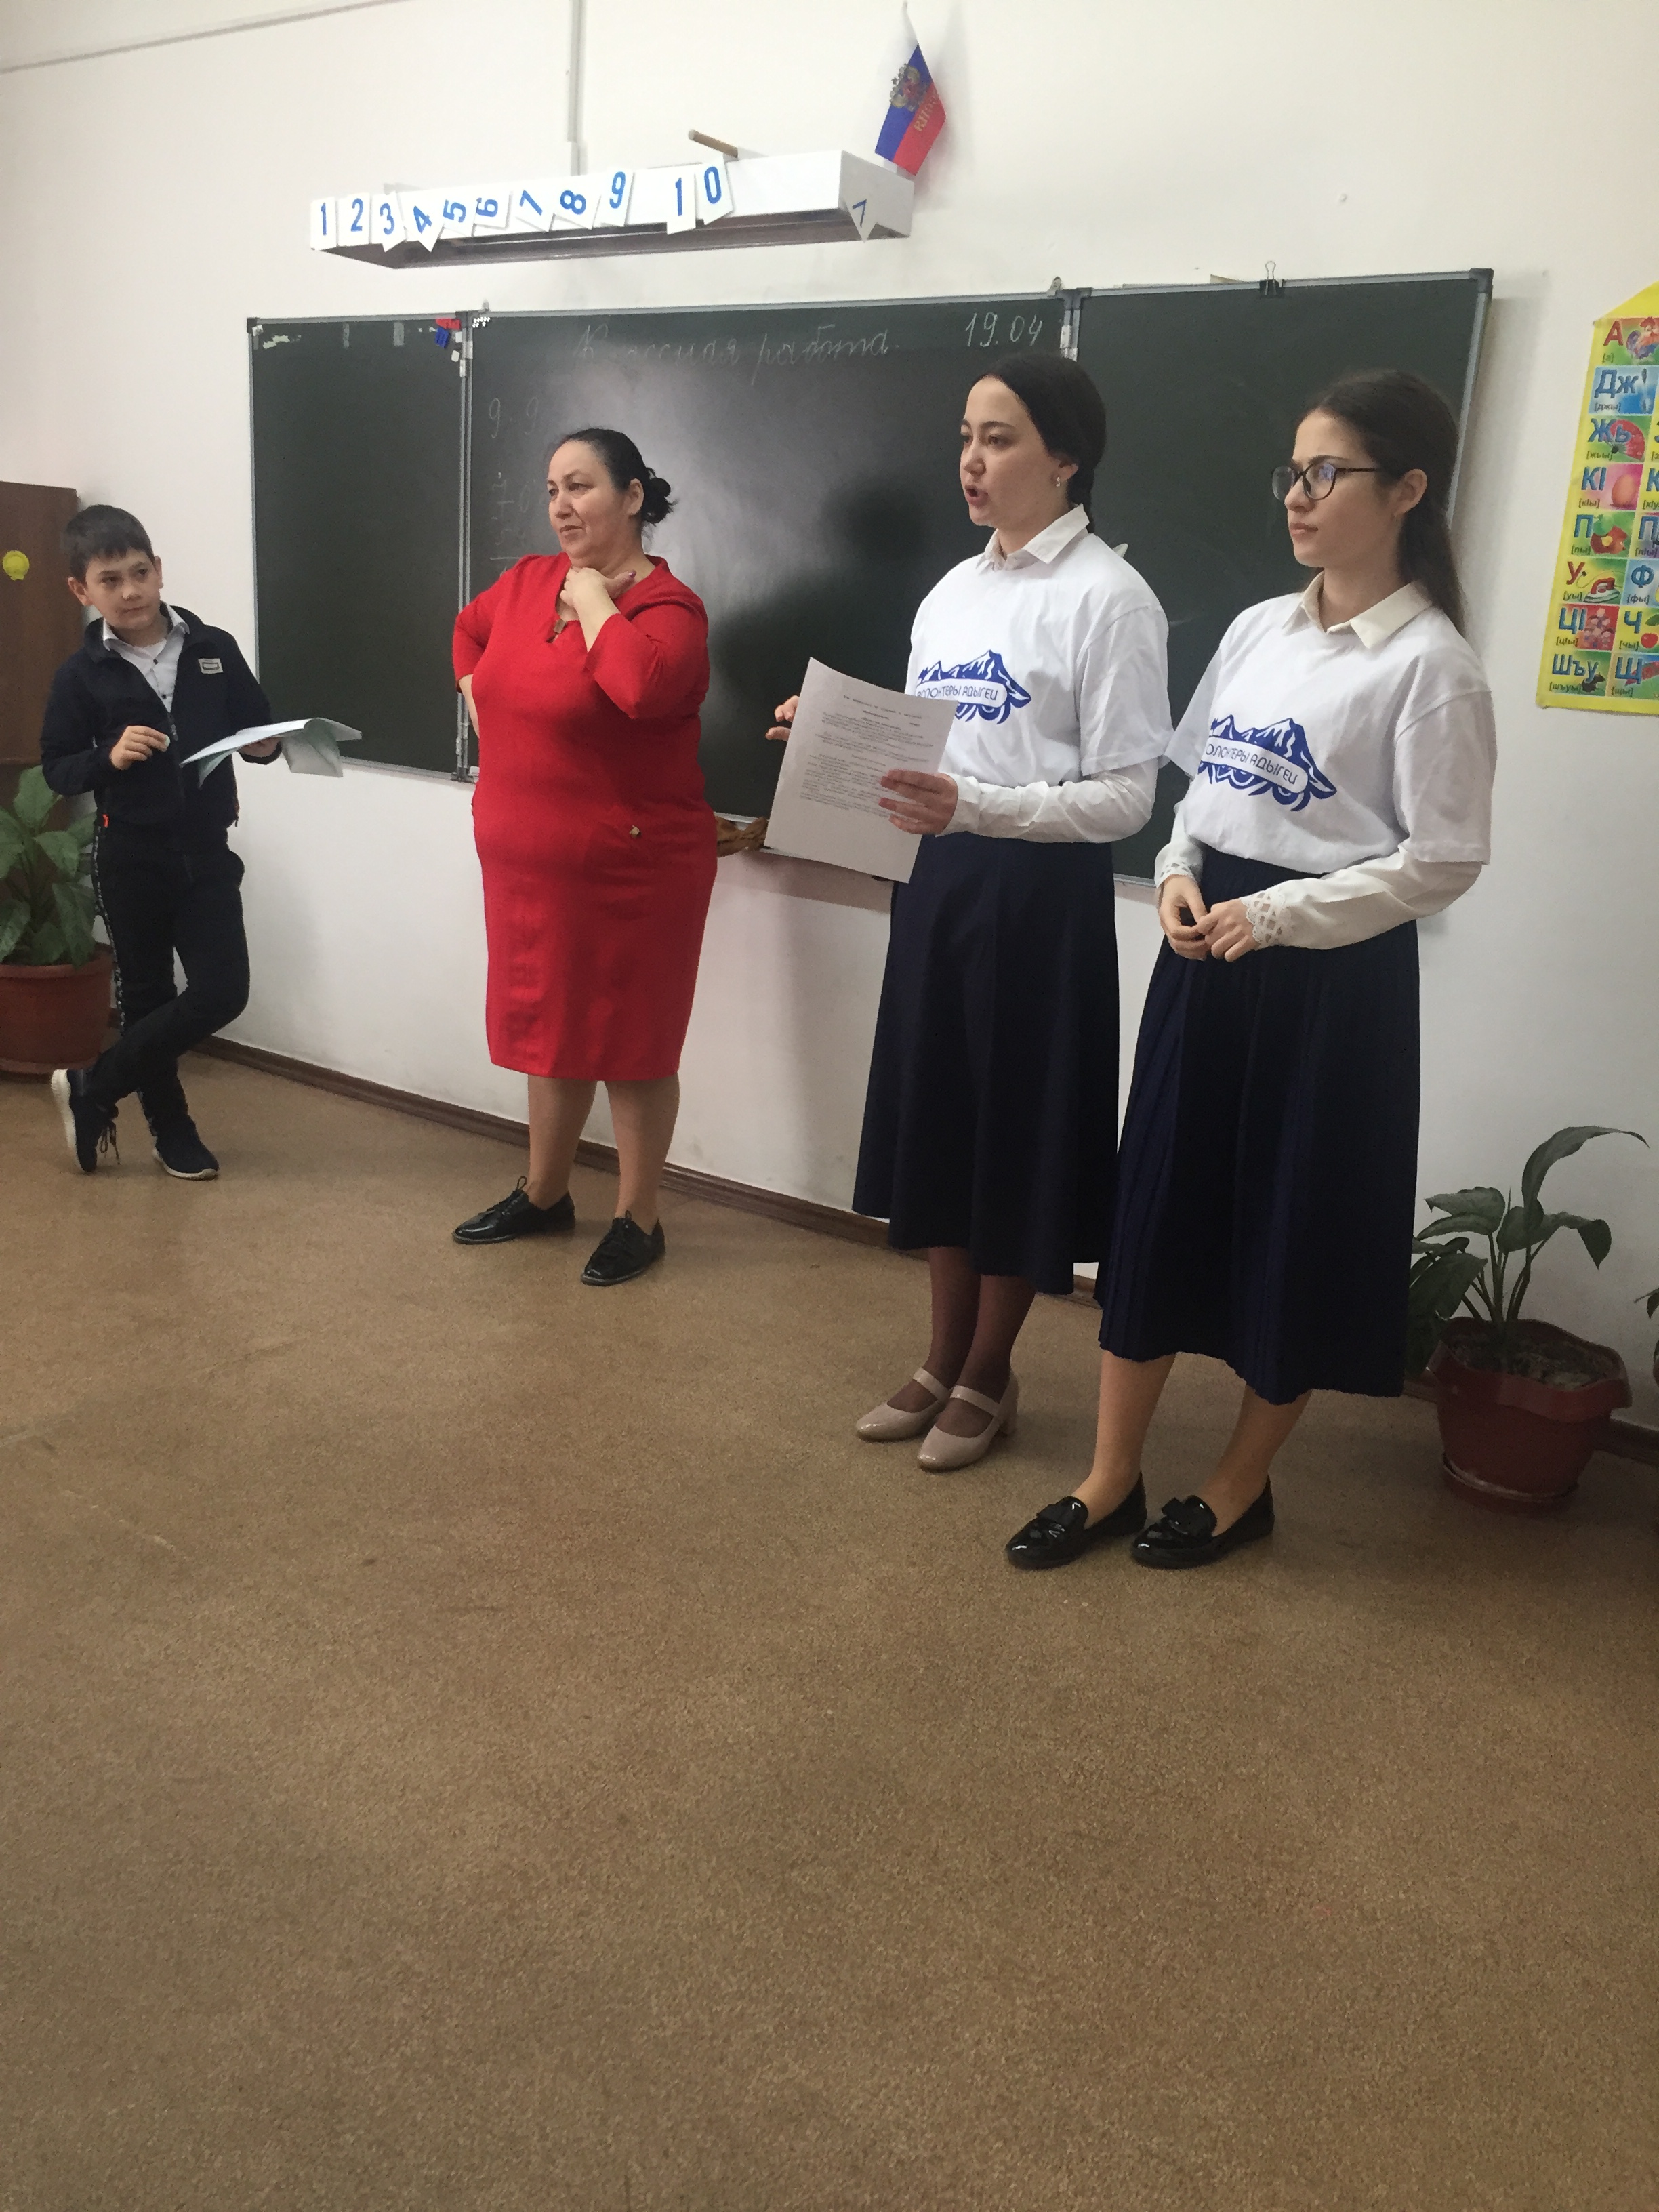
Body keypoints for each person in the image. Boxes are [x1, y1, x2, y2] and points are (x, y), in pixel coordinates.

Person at [1005, 368, 1498, 1573]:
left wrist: (1278, 915)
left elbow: (1442, 859)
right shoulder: (1254, 628)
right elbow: (1199, 790)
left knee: (1291, 1220)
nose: (1297, 494)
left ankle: (1238, 1485)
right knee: (1158, 1206)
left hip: (1329, 983)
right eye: (1292, 470)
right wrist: (1176, 869)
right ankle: (1109, 1476)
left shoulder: (1430, 666)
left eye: (1326, 472)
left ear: (1407, 489)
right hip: (1208, 954)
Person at [770, 356, 1168, 1469]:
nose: (971, 461)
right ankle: (941, 1354)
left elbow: (1128, 797)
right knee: (941, 1121)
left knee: (1015, 1138)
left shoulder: (1110, 599)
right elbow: (929, 750)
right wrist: (833, 737)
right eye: (964, 438)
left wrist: (980, 807)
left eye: (998, 439)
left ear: (1065, 455)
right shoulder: (950, 592)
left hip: (1040, 901)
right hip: (940, 885)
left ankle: (990, 1370)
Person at [451, 428, 716, 1287]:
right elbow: (467, 633)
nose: (562, 507)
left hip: (634, 871)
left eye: (581, 487)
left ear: (633, 496)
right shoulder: (525, 582)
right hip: (527, 868)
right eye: (552, 491)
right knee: (550, 1030)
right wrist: (477, 701)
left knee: (632, 1044)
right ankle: (544, 1194)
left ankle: (639, 1217)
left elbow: (638, 687)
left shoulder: (669, 610)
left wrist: (596, 598)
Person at [41, 505, 281, 1180]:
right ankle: (172, 1131)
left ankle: (94, 1086)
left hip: (207, 851)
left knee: (223, 990)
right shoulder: (81, 674)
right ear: (81, 590)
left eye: (140, 572)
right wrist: (108, 757)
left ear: (159, 570)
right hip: (130, 856)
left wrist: (265, 747)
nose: (130, 591)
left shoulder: (213, 648)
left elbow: (256, 727)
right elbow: (58, 766)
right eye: (110, 580)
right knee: (146, 997)